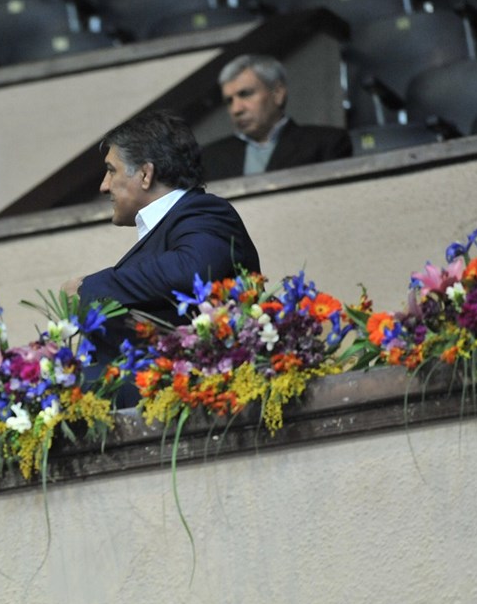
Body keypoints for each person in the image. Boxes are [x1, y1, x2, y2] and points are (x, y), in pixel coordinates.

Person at [61, 110, 261, 398]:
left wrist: (90, 286)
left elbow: (191, 270)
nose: (104, 185)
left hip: (199, 398)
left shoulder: (205, 211)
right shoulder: (177, 224)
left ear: (145, 174)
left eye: (112, 170)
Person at [200, 54, 352, 182]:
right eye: (229, 101)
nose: (236, 109)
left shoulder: (326, 144)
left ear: (278, 94)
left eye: (245, 94)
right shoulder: (209, 158)